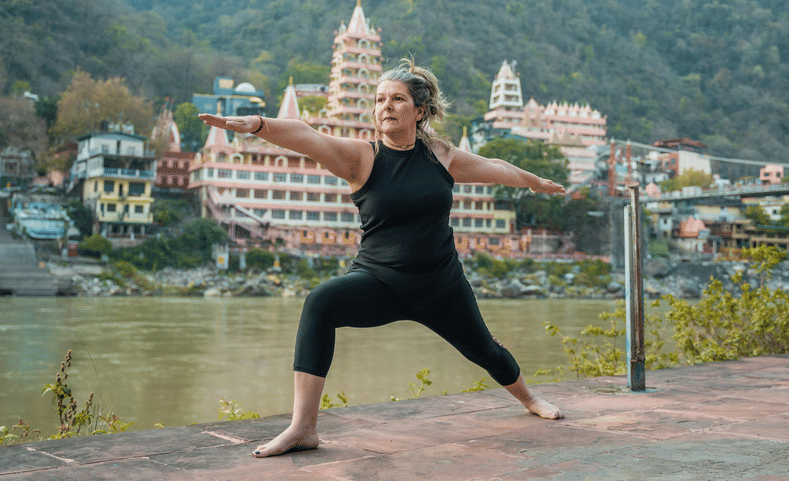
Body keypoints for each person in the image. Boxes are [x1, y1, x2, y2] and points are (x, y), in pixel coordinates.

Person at [198, 60, 566, 458]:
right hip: (380, 281)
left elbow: (494, 168)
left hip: (442, 285)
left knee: (485, 351)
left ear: (419, 111)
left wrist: (535, 182)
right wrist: (257, 124)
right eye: (379, 100)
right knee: (320, 303)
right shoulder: (361, 158)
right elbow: (306, 135)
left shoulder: (441, 156)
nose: (386, 106)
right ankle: (303, 428)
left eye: (397, 99)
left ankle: (530, 400)